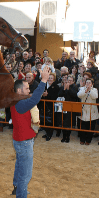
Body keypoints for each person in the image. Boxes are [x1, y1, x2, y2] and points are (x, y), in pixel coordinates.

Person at [11, 66, 50, 198]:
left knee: (19, 166)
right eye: (27, 88)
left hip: (19, 140)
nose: (29, 90)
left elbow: (31, 97)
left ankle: (16, 188)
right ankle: (20, 194)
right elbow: (34, 100)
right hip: (24, 142)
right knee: (25, 175)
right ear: (19, 90)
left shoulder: (16, 100)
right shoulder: (21, 104)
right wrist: (44, 80)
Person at [77, 78, 98, 145]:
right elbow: (79, 95)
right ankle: (82, 140)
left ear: (92, 84)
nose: (88, 84)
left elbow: (95, 96)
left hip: (92, 111)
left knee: (91, 128)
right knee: (83, 127)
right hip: (84, 111)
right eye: (87, 82)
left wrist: (90, 90)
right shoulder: (82, 89)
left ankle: (88, 140)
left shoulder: (94, 90)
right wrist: (85, 91)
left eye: (89, 82)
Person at [58, 74, 78, 143]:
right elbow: (59, 95)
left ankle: (68, 137)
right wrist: (64, 89)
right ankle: (64, 136)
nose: (69, 82)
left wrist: (68, 88)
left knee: (69, 123)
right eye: (68, 80)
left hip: (71, 107)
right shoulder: (63, 86)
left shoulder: (75, 87)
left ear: (73, 81)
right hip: (63, 107)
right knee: (63, 122)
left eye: (71, 81)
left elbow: (75, 95)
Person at [41, 73, 60, 141]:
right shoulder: (44, 85)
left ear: (54, 79)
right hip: (44, 106)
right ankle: (47, 133)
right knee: (44, 121)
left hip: (52, 107)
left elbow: (55, 97)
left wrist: (47, 95)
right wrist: (43, 95)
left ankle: (49, 134)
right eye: (49, 77)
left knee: (50, 122)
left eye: (51, 78)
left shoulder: (56, 87)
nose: (49, 79)